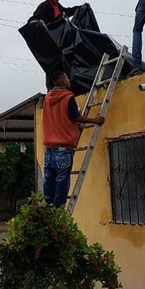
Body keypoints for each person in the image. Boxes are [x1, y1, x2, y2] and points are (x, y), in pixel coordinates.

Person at [43, 71, 105, 207]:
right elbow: (75, 117)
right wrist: (95, 120)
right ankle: (59, 207)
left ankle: (48, 206)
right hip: (63, 148)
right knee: (61, 179)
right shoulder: (67, 97)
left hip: (49, 149)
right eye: (66, 77)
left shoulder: (47, 98)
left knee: (48, 178)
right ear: (63, 81)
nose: (69, 79)